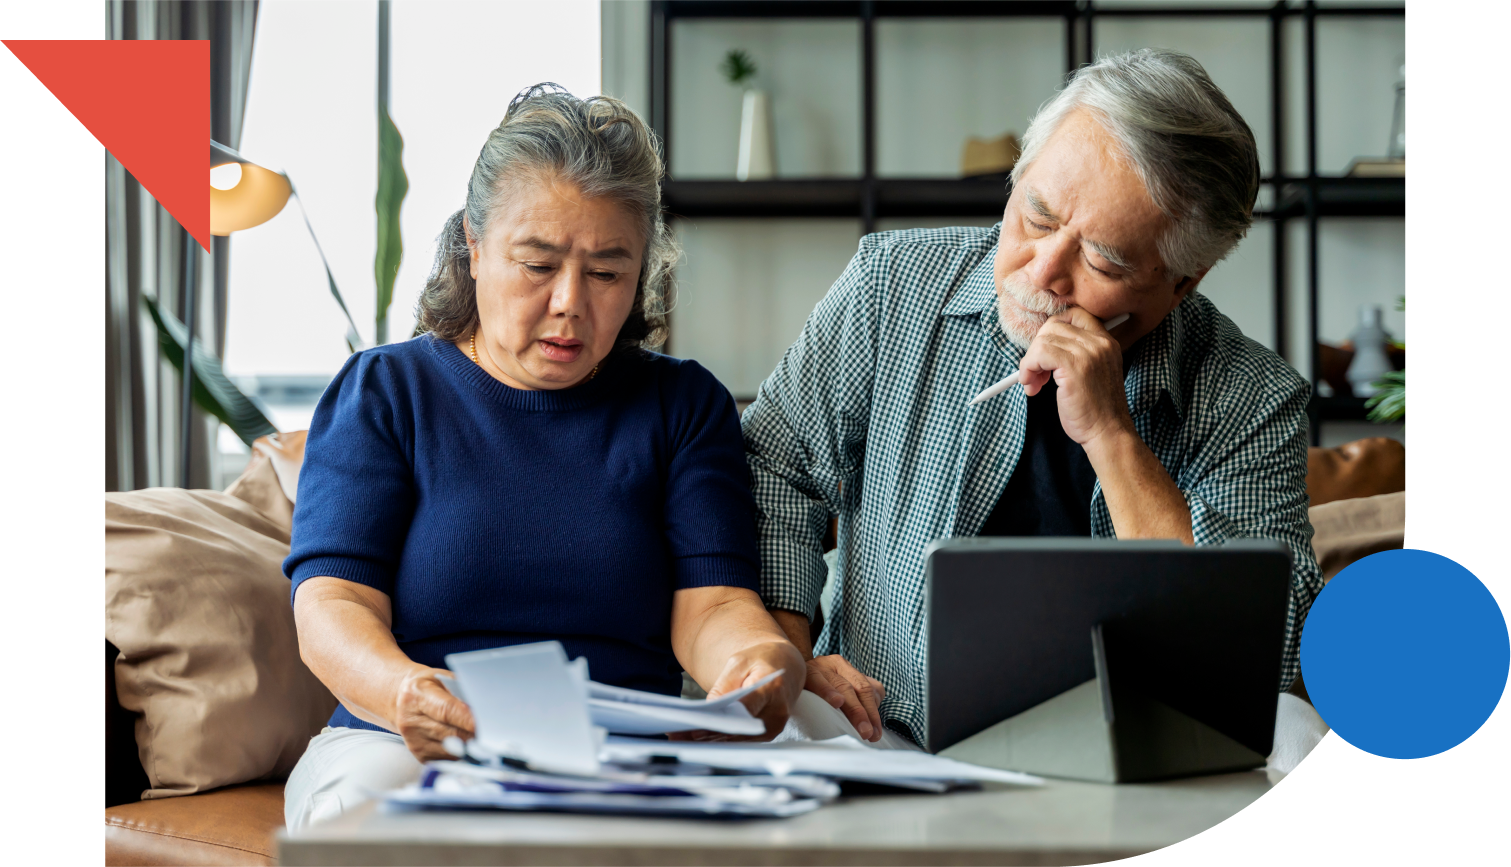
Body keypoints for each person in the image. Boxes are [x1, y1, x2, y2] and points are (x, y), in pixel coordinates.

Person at [743, 50, 1325, 749]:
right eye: (1037, 216)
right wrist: (791, 652)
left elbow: (1272, 655)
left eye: (1102, 261)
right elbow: (773, 470)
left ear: (1180, 282)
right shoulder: (887, 288)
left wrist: (1113, 437)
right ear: (1018, 177)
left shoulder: (1252, 396)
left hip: (1139, 753)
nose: (1043, 271)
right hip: (884, 731)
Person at [281, 85, 805, 830]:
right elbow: (332, 604)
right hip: (402, 739)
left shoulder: (682, 405)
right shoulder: (387, 391)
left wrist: (757, 661)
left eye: (606, 273)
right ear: (474, 243)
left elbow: (714, 604)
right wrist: (402, 690)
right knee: (375, 822)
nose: (568, 302)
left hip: (625, 749)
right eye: (537, 264)